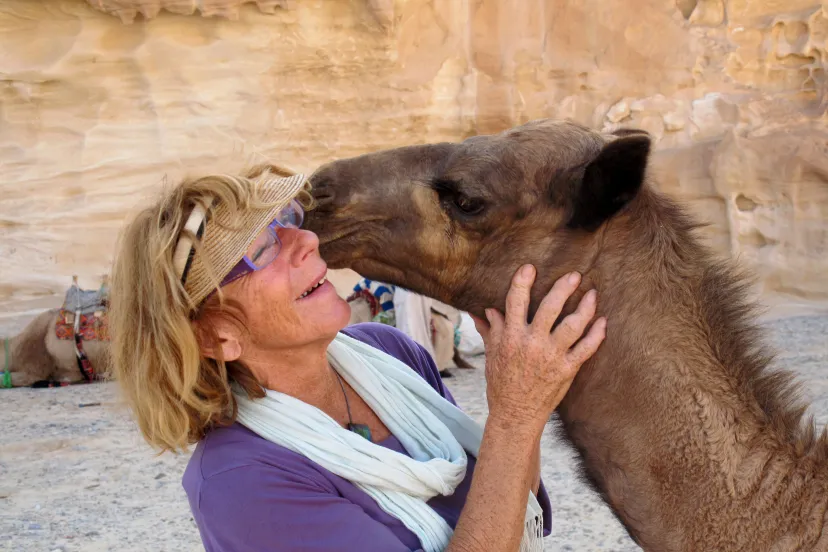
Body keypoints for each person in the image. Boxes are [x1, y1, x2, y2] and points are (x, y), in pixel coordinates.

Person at [109, 164, 607, 552]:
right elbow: (507, 452)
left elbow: (510, 499)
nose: (304, 240)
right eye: (261, 249)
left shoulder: (389, 353)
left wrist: (523, 385)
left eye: (287, 223)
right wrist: (516, 414)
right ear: (215, 337)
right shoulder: (239, 481)